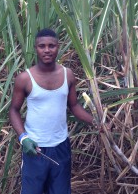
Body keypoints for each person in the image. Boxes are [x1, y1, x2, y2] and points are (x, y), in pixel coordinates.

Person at [9, 28, 94, 194]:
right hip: (35, 148)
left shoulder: (67, 75)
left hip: (61, 146)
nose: (47, 50)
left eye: (51, 46)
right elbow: (13, 110)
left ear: (58, 47)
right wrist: (23, 138)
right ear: (35, 48)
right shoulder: (25, 79)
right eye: (42, 46)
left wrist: (95, 121)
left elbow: (74, 106)